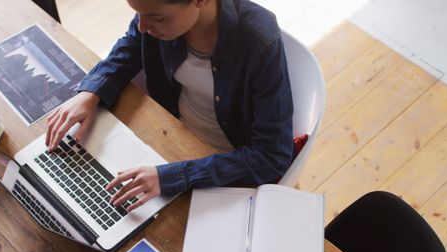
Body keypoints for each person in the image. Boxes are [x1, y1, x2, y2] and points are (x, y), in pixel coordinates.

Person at [45, 0, 294, 212]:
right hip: (170, 134)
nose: (143, 26)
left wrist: (172, 177)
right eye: (138, 14)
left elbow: (271, 156)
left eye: (156, 18)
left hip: (225, 166)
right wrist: (90, 92)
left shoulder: (259, 41)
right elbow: (131, 45)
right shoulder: (156, 20)